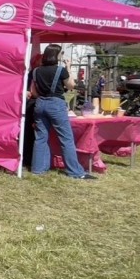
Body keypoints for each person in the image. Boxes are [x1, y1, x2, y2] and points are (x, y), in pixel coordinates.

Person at [30, 44, 95, 180]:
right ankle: (75, 172)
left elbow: (33, 92)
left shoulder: (36, 71)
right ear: (56, 55)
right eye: (61, 53)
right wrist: (68, 67)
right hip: (55, 104)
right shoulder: (61, 70)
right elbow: (71, 85)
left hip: (40, 104)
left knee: (41, 138)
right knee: (66, 139)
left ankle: (38, 169)